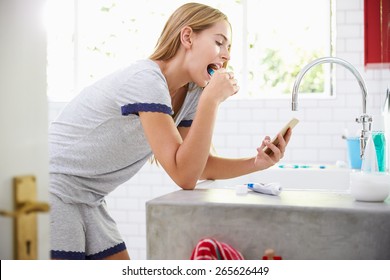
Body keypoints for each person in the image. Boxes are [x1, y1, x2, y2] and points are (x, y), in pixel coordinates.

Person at [48, 2, 292, 260]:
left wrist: (256, 163)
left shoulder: (192, 94)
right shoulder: (147, 79)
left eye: (229, 47)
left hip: (90, 199)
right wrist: (211, 101)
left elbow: (200, 166)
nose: (227, 55)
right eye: (219, 42)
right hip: (53, 189)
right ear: (187, 37)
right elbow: (184, 176)